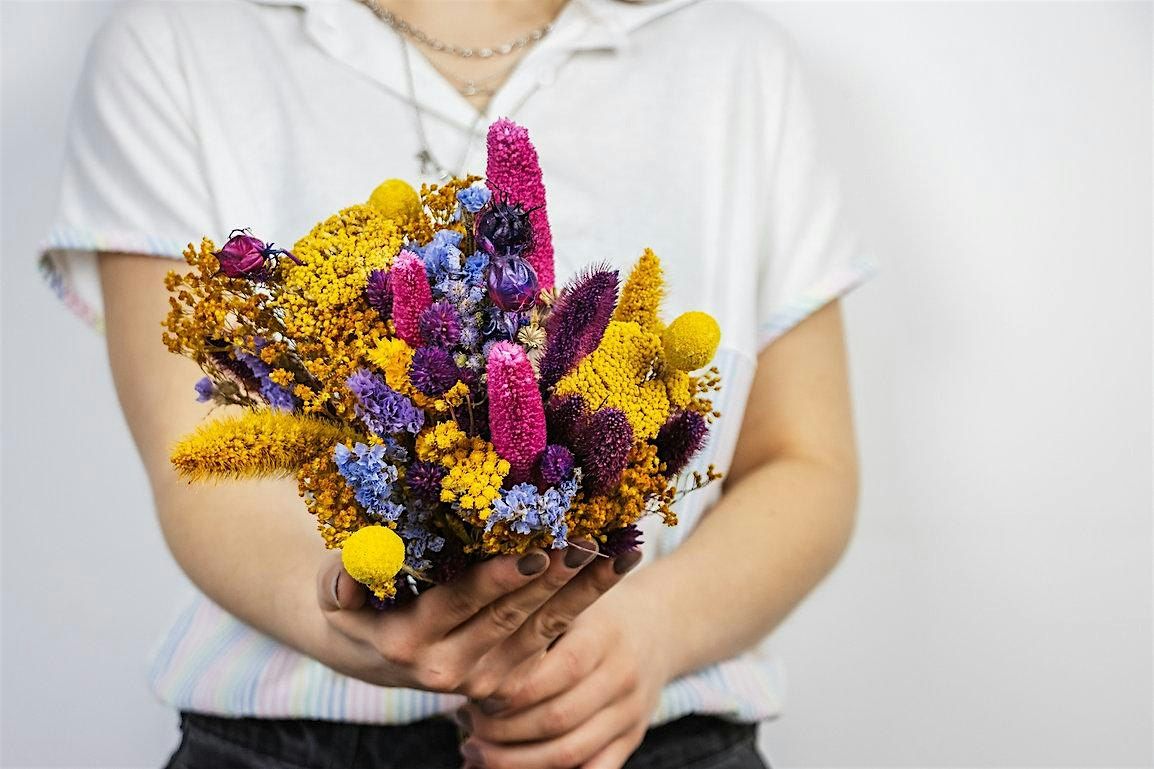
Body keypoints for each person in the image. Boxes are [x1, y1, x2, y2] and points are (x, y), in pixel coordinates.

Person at [40, 0, 876, 766]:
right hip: (291, 746)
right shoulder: (181, 43)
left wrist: (651, 629)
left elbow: (803, 461)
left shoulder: (731, 60)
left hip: (652, 736)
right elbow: (201, 461)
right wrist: (353, 606)